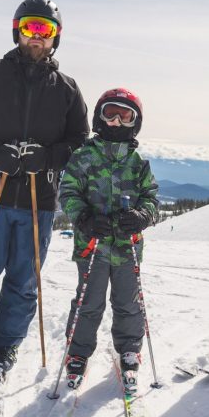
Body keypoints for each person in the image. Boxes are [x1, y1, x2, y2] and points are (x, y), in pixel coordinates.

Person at [0, 0, 88, 389]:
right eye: (30, 27)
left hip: (36, 199)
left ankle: (6, 347)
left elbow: (80, 140)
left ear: (56, 38)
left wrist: (49, 157)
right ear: (17, 29)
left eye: (45, 30)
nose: (36, 37)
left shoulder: (66, 89)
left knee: (24, 280)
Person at [57, 88, 160, 390]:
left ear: (135, 121)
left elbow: (152, 197)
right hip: (93, 244)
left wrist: (143, 216)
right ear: (99, 117)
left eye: (124, 115)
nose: (116, 120)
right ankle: (77, 352)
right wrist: (85, 218)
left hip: (127, 247)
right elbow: (69, 192)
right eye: (110, 113)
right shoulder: (84, 157)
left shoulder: (137, 161)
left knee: (128, 301)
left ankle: (129, 349)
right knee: (89, 301)